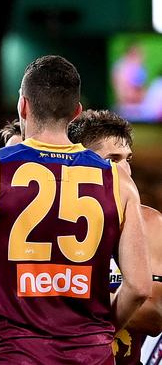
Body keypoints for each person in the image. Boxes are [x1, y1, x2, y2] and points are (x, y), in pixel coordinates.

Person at [0, 55, 151, 364]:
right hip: (92, 354)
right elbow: (138, 286)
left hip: (18, 353)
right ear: (76, 112)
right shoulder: (117, 181)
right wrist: (103, 331)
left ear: (23, 106)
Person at [69, 109, 162, 364]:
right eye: (112, 159)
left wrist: (67, 305)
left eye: (127, 159)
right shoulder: (55, 221)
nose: (126, 172)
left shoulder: (150, 223)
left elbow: (155, 314)